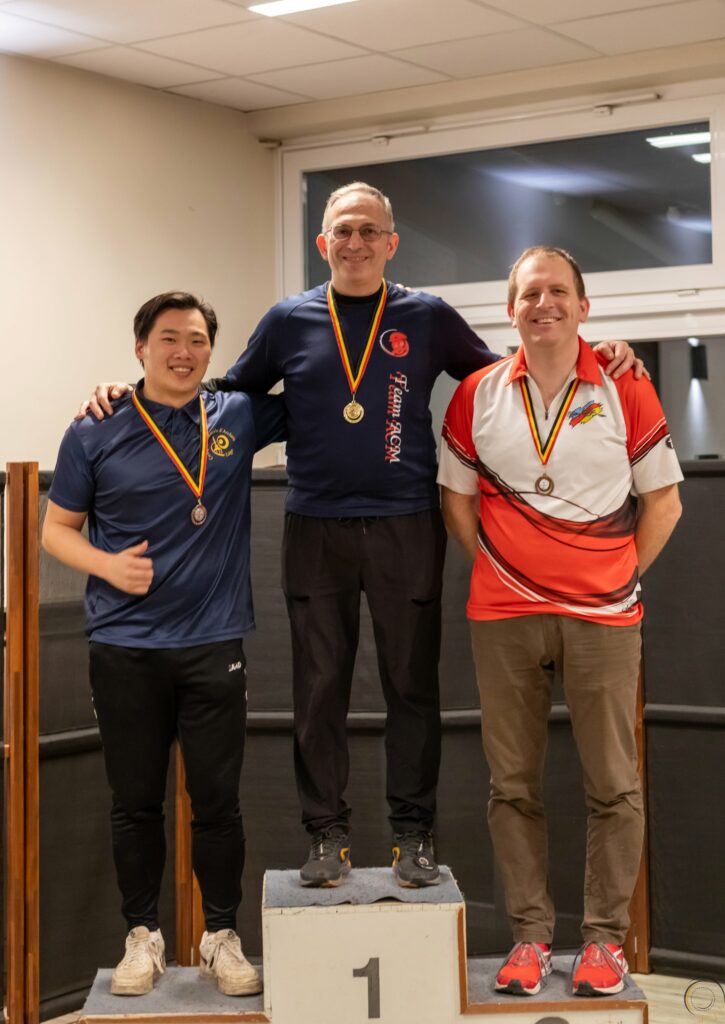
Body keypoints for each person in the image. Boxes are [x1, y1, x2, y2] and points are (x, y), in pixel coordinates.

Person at [82, 184, 641, 890]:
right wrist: (129, 394)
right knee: (319, 689)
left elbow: (509, 376)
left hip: (407, 523)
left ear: (390, 243)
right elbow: (222, 393)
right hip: (314, 525)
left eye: (369, 231)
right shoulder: (288, 320)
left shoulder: (426, 316)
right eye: (343, 230)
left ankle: (414, 835)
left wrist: (598, 351)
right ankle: (326, 834)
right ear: (323, 243)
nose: (355, 242)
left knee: (411, 686)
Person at [437, 246, 682, 997]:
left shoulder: (624, 383)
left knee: (613, 784)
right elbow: (457, 503)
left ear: (582, 306)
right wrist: (511, 571)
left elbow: (664, 502)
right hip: (504, 615)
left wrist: (612, 579)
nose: (542, 304)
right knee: (512, 785)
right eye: (528, 294)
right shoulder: (474, 393)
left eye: (555, 292)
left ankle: (604, 943)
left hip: (602, 618)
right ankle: (530, 938)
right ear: (509, 311)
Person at [43, 292, 285, 997]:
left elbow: (318, 390)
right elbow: (54, 529)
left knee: (218, 803)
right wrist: (106, 566)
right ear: (140, 348)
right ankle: (142, 936)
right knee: (135, 802)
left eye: (198, 339)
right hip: (124, 645)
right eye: (169, 337)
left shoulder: (235, 414)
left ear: (211, 350)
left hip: (214, 643)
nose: (184, 351)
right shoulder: (95, 427)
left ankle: (220, 936)